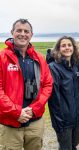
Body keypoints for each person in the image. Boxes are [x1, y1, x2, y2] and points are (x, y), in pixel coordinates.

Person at [0, 18, 53, 149]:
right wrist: (16, 112)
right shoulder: (2, 58)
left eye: (26, 31)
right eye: (19, 30)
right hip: (10, 122)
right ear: (12, 32)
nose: (23, 34)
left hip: (35, 121)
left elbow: (47, 85)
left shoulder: (39, 58)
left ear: (31, 35)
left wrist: (34, 109)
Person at [46, 36, 79, 150]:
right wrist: (59, 120)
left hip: (77, 117)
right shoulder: (53, 68)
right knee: (65, 147)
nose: (67, 48)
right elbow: (54, 97)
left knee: (74, 144)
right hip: (63, 119)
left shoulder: (76, 66)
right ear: (58, 49)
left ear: (74, 47)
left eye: (69, 45)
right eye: (63, 45)